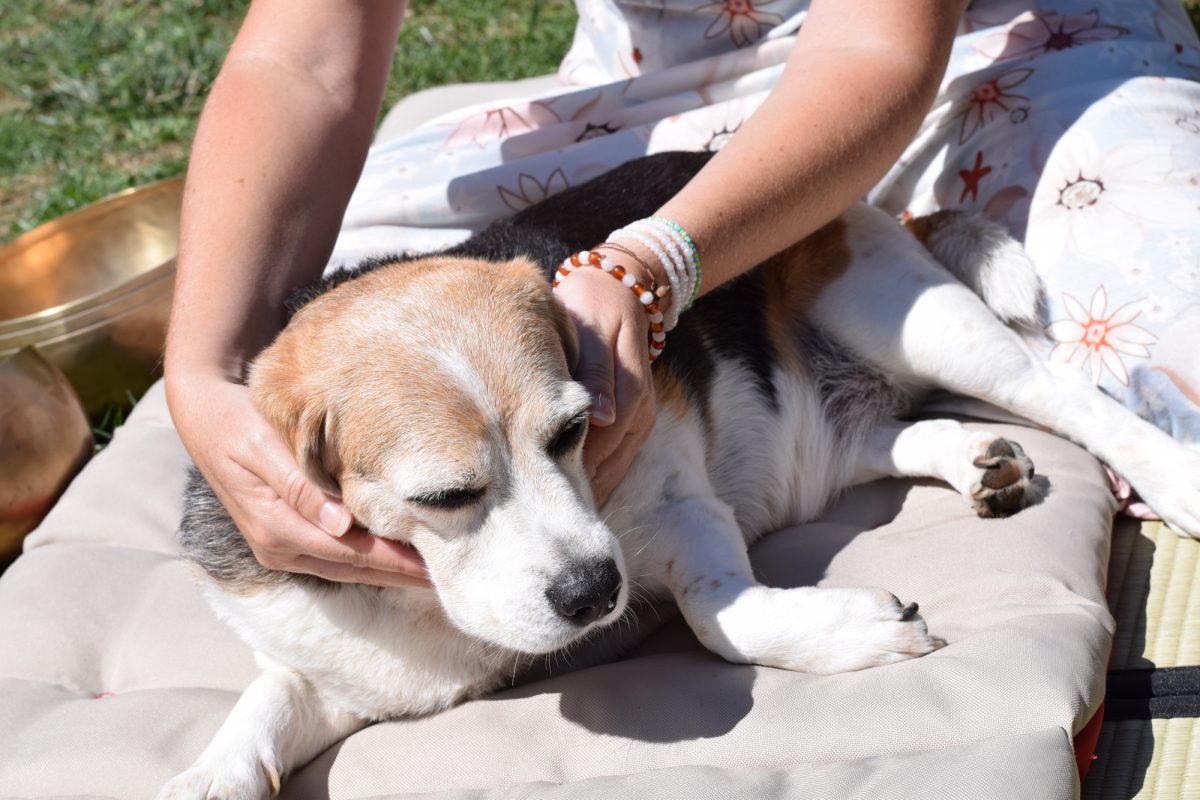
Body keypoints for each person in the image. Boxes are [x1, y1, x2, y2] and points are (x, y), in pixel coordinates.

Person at [163, 0, 1200, 591]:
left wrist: (659, 260)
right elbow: (305, 58)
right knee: (377, 313)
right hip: (653, 103)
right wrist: (203, 373)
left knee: (1175, 331)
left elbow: (876, 49)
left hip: (1002, 66)